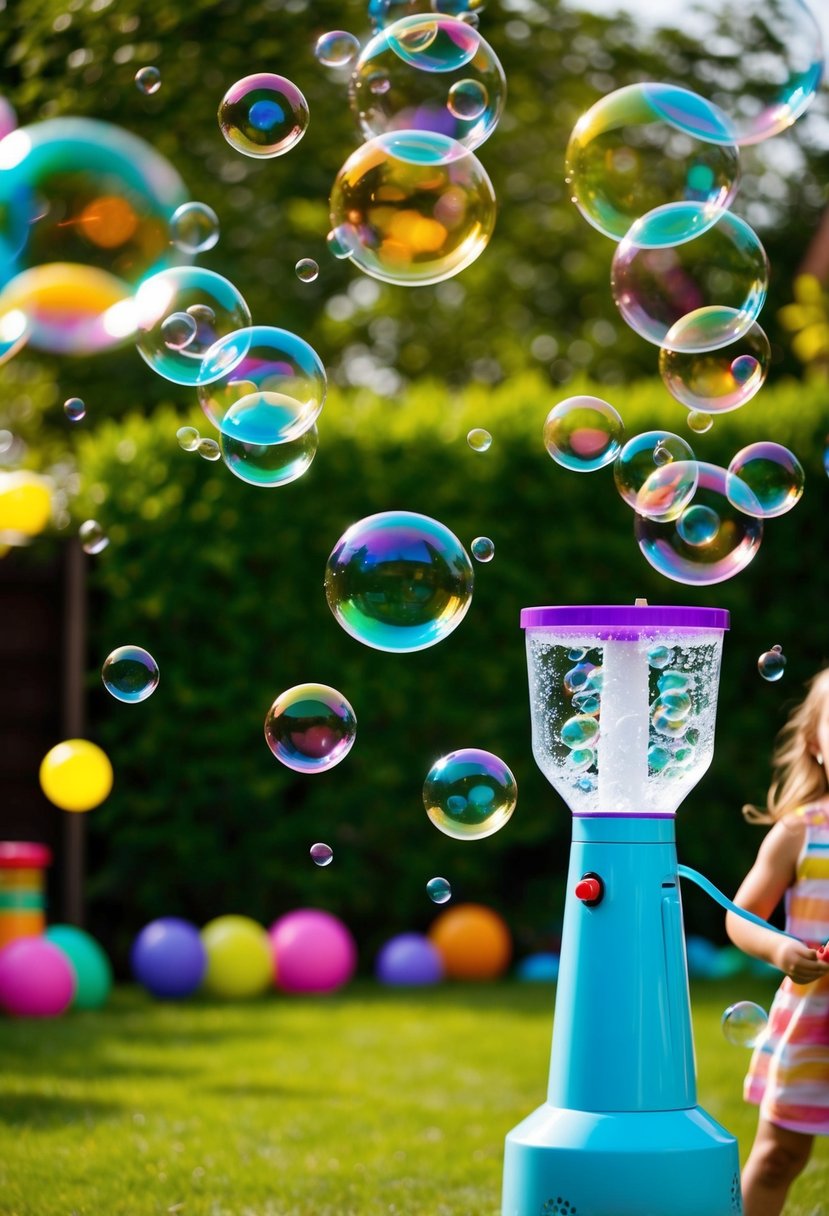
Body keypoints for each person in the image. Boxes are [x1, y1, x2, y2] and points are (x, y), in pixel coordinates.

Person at [725, 668, 829, 1216]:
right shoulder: (800, 831)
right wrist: (780, 950)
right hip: (814, 1024)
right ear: (815, 744)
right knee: (776, 1158)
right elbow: (741, 918)